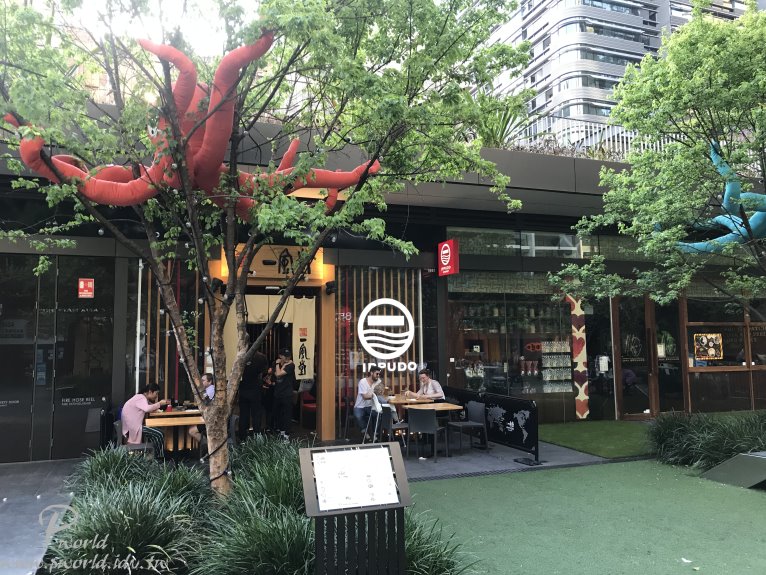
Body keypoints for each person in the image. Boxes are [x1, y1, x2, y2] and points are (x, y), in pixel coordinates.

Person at [121, 383, 169, 458]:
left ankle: (152, 456)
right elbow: (147, 408)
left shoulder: (141, 397)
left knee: (157, 434)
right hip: (134, 427)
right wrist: (159, 403)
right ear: (150, 392)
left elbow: (149, 406)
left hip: (132, 426)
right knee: (159, 434)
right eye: (156, 393)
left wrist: (156, 407)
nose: (157, 396)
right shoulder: (141, 398)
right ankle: (158, 458)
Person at [238, 350, 269, 440]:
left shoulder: (240, 356)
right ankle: (257, 434)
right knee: (256, 414)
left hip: (243, 388)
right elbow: (265, 371)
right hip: (255, 389)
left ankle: (243, 435)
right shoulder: (261, 357)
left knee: (243, 414)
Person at [273, 348, 297, 439]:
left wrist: (277, 364)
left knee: (287, 414)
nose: (287, 358)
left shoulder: (291, 365)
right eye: (285, 356)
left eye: (288, 356)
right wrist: (278, 365)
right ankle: (281, 431)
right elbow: (275, 375)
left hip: (287, 394)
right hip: (278, 393)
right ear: (280, 356)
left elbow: (278, 374)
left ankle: (287, 434)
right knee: (278, 413)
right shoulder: (278, 364)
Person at [354, 367, 382, 439]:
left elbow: (381, 391)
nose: (378, 376)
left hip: (370, 406)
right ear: (371, 373)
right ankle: (365, 431)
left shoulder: (378, 381)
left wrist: (380, 391)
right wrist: (374, 395)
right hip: (360, 406)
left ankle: (375, 433)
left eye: (379, 374)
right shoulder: (363, 382)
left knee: (378, 414)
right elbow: (365, 397)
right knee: (358, 416)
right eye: (377, 374)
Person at [188, 373, 215, 443]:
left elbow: (205, 404)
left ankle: (207, 445)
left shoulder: (211, 390)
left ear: (210, 381)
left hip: (211, 420)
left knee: (191, 431)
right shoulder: (207, 390)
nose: (201, 382)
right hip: (207, 418)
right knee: (192, 426)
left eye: (203, 380)